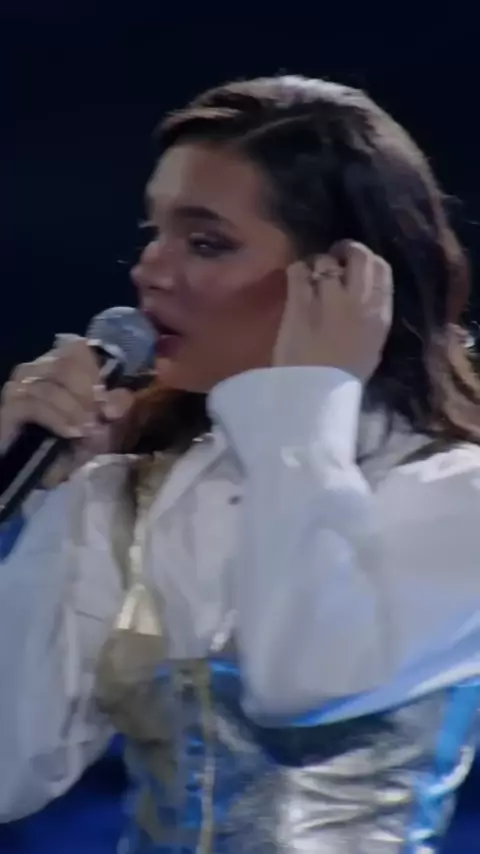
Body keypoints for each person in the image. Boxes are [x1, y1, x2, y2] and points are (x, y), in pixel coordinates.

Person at [1, 74, 480, 854]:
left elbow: (301, 679)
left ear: (347, 277)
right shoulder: (130, 495)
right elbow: (8, 772)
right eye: (153, 231)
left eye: (205, 242)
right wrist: (45, 500)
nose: (149, 270)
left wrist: (304, 395)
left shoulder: (457, 494)